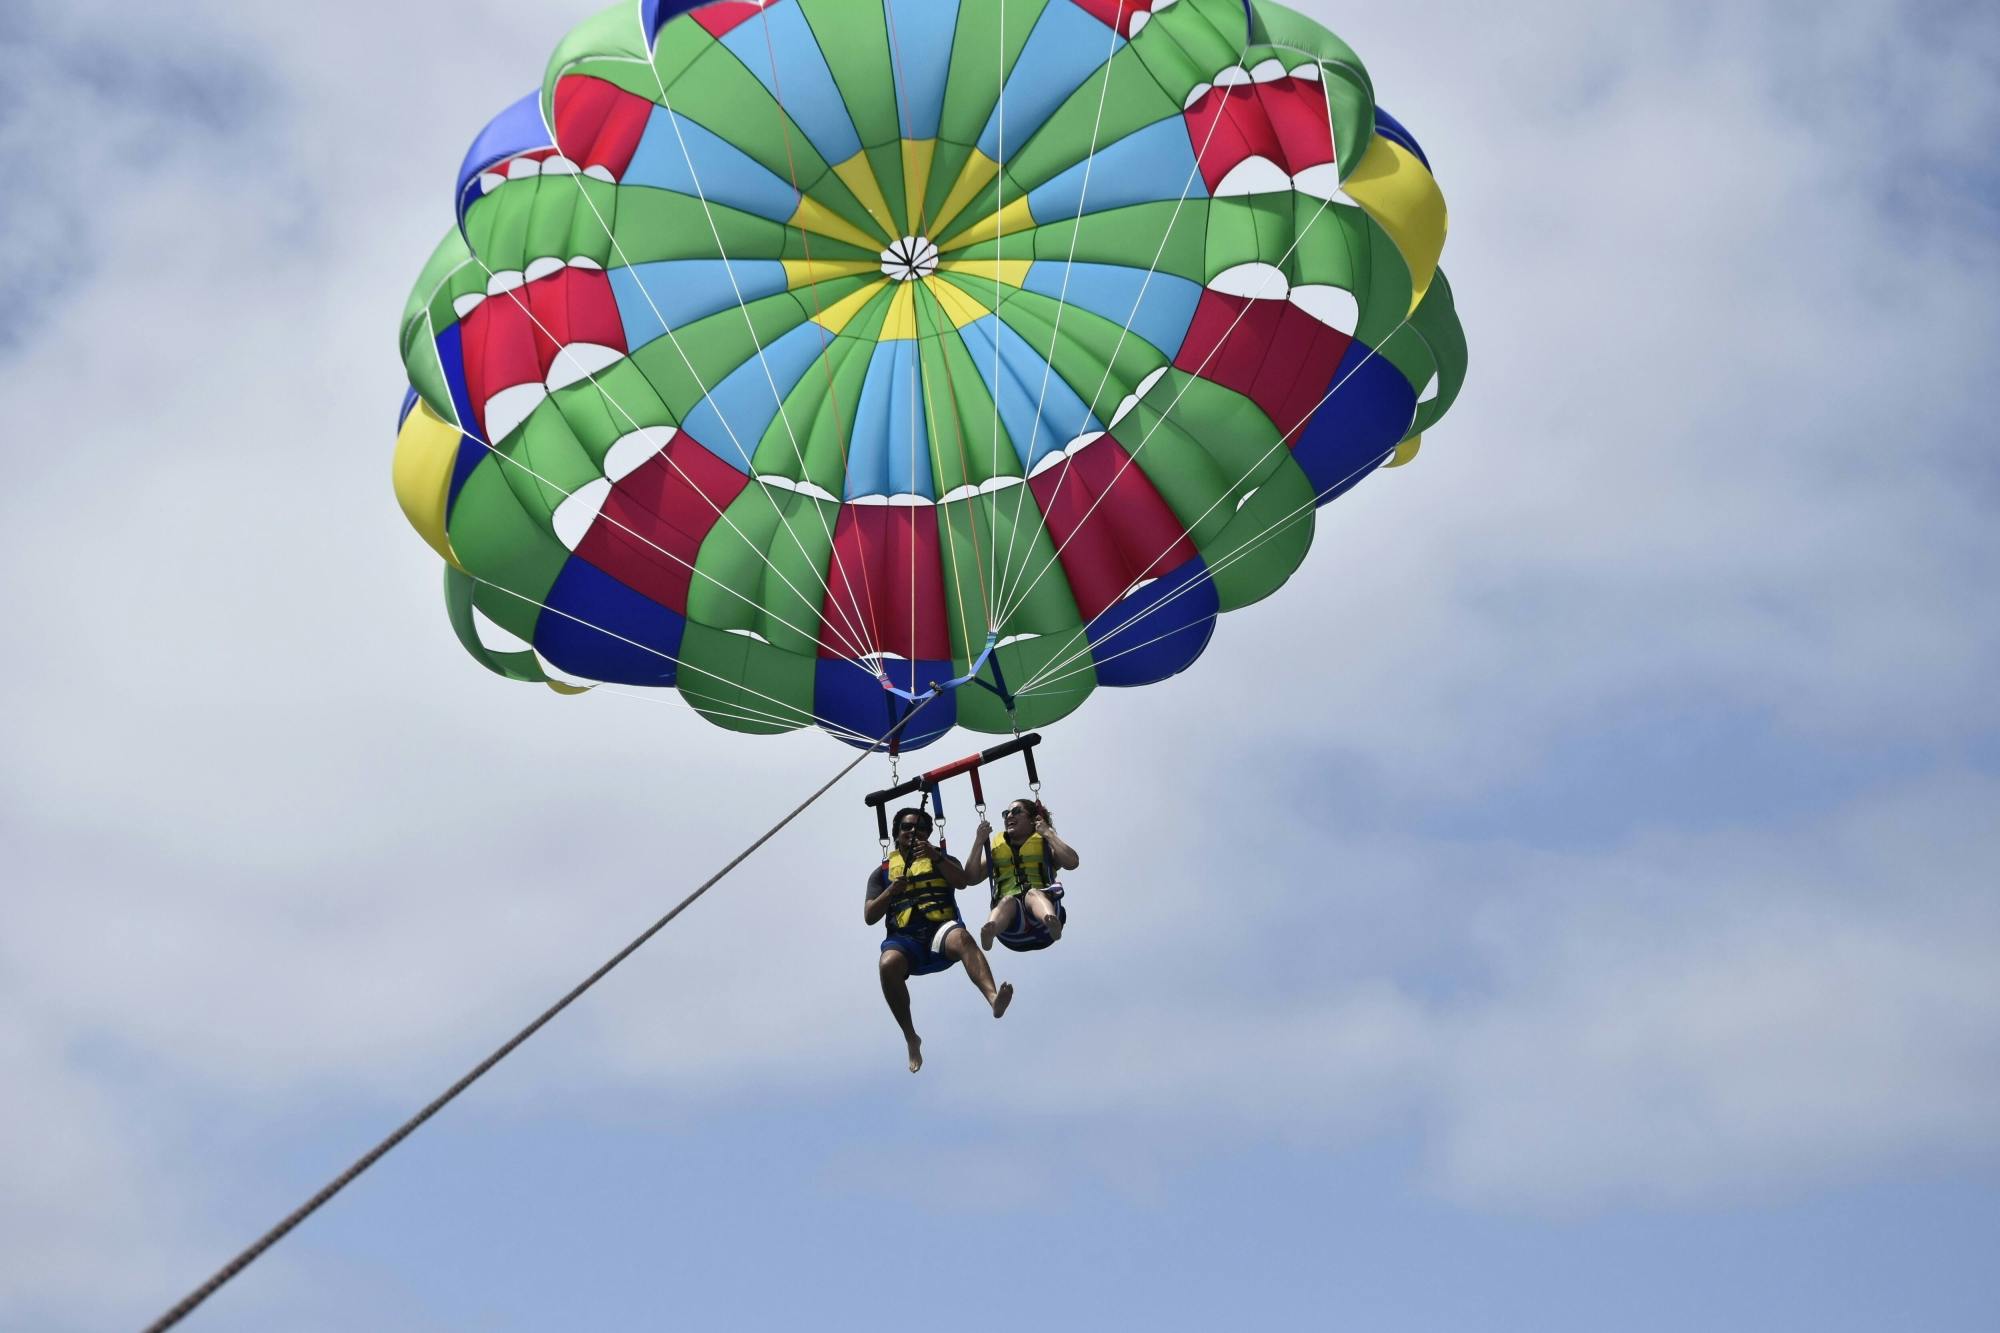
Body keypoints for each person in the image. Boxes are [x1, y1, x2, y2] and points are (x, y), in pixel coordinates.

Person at [865, 806, 1013, 1072]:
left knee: (963, 937)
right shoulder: (882, 872)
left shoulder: (943, 858)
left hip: (939, 932)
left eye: (920, 828)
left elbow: (962, 881)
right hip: (905, 939)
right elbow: (870, 915)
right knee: (887, 964)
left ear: (929, 834)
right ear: (896, 835)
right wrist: (890, 891)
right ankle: (911, 1036)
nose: (913, 832)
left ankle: (993, 998)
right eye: (907, 827)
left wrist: (937, 858)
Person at [965, 797, 1080, 953]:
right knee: (1007, 901)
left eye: (1017, 811)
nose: (1009, 816)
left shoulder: (1045, 846)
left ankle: (1050, 919)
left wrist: (1048, 833)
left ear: (1033, 820)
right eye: (1006, 813)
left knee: (1033, 894)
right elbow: (971, 878)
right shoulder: (997, 852)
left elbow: (1072, 862)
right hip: (1011, 930)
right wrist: (979, 841)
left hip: (1044, 923)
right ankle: (991, 929)